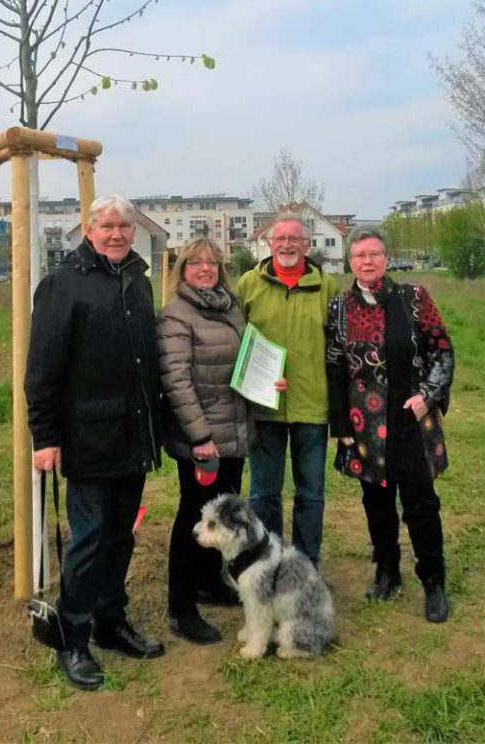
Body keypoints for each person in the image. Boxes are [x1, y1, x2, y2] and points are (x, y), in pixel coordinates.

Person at [25, 194, 164, 691]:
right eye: (107, 225)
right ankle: (74, 637)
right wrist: (44, 436)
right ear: (88, 229)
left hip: (133, 437)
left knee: (121, 535)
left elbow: (145, 359)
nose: (117, 234)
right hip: (87, 439)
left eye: (124, 226)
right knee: (86, 541)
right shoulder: (63, 285)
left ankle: (111, 620)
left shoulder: (139, 282)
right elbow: (41, 370)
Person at [326, 227, 454, 622]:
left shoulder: (414, 299)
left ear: (386, 257)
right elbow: (334, 366)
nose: (368, 261)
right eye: (360, 255)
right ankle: (387, 572)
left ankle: (433, 581)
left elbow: (442, 350)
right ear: (351, 262)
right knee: (376, 504)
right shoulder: (339, 307)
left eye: (375, 254)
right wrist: (341, 422)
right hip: (365, 426)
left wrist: (428, 395)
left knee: (420, 504)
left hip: (410, 421)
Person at [156, 238, 250, 644]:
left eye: (212, 262)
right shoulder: (176, 315)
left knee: (223, 512)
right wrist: (200, 436)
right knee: (194, 518)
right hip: (203, 439)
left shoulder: (230, 306)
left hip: (234, 429)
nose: (206, 268)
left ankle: (210, 583)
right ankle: (181, 605)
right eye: (196, 263)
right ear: (183, 269)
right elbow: (176, 380)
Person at [237, 214, 336, 565]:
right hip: (265, 407)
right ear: (269, 243)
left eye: (295, 239)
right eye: (280, 239)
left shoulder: (327, 287)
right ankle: (268, 562)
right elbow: (237, 341)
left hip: (312, 405)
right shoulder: (249, 284)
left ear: (307, 245)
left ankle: (306, 564)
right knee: (264, 493)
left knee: (311, 493)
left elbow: (338, 346)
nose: (287, 245)